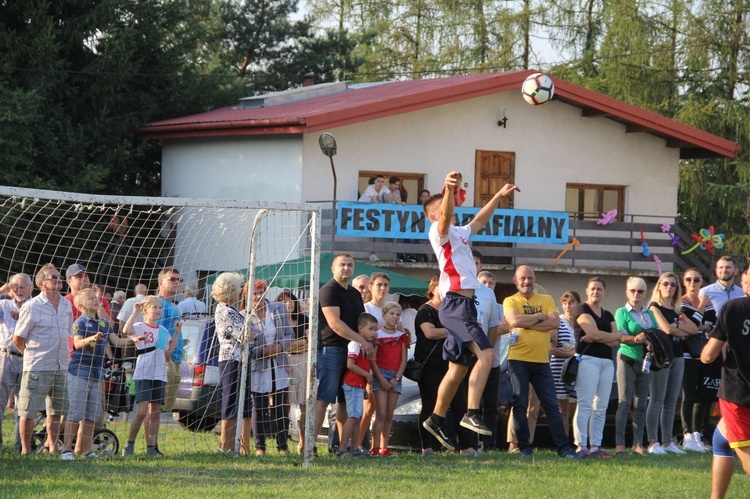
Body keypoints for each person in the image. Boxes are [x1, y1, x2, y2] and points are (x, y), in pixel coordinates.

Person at [420, 171, 519, 451]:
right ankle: (472, 413)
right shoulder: (438, 233)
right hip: (455, 305)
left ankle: (437, 418)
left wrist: (498, 197)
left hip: (462, 305)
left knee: (459, 367)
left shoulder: (460, 233)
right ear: (434, 216)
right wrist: (449, 190)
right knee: (487, 354)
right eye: (442, 211)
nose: (448, 213)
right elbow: (445, 213)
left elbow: (479, 220)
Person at [503, 265, 580, 459]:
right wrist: (539, 317)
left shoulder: (546, 299)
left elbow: (554, 323)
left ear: (534, 279)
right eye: (522, 278)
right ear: (515, 280)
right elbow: (515, 321)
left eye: (530, 278)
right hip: (518, 360)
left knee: (551, 405)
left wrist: (528, 322)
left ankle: (564, 448)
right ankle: (524, 447)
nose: (526, 282)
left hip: (541, 361)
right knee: (520, 404)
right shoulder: (510, 300)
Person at [64, 288, 139, 458]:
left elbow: (117, 341)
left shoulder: (104, 324)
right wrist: (91, 339)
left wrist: (133, 340)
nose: (97, 299)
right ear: (82, 305)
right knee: (76, 413)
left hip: (97, 374)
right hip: (79, 372)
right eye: (91, 298)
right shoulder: (79, 323)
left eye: (96, 297)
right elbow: (76, 344)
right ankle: (66, 450)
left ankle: (87, 450)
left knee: (92, 415)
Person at [313, 254, 372, 456]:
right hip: (332, 350)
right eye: (342, 265)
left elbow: (363, 323)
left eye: (349, 265)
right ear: (333, 268)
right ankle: (310, 447)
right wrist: (362, 340)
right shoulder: (328, 290)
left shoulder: (355, 294)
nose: (346, 268)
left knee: (344, 403)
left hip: (352, 354)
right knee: (324, 398)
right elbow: (335, 324)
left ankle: (344, 447)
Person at [13, 264, 73, 457]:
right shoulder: (32, 306)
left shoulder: (66, 305)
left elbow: (68, 333)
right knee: (28, 410)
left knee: (56, 411)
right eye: (53, 277)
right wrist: (31, 356)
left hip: (61, 366)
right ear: (41, 283)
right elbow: (18, 339)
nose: (58, 280)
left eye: (58, 277)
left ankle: (52, 446)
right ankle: (25, 450)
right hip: (37, 366)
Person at [702, 266, 750, 498]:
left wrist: (704, 354)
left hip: (738, 392)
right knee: (720, 440)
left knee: (746, 458)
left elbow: (709, 354)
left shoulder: (734, 307)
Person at [414, 276, 477, 456]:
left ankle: (466, 447)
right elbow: (430, 332)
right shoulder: (425, 311)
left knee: (459, 405)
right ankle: (427, 447)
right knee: (430, 405)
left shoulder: (452, 312)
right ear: (433, 288)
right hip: (430, 366)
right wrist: (457, 329)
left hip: (451, 365)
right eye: (441, 287)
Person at [121, 296, 180, 457]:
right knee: (141, 411)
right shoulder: (140, 326)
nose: (158, 310)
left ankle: (151, 447)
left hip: (159, 375)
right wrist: (134, 312)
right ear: (145, 310)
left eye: (159, 308)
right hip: (144, 374)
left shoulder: (163, 331)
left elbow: (167, 355)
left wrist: (176, 334)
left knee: (155, 412)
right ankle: (129, 445)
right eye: (154, 307)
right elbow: (126, 331)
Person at [646, 271, 696, 455]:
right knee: (657, 400)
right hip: (661, 357)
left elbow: (693, 329)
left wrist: (676, 328)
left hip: (678, 356)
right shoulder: (654, 307)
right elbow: (666, 329)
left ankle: (667, 441)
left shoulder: (677, 310)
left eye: (673, 284)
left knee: (671, 401)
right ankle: (653, 442)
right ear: (659, 286)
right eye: (665, 284)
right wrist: (675, 328)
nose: (669, 287)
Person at [573, 277, 619, 458]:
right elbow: (595, 333)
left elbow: (617, 340)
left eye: (599, 289)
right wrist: (605, 335)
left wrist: (600, 336)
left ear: (605, 291)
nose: (596, 292)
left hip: (607, 362)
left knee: (601, 406)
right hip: (588, 360)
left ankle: (595, 446)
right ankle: (581, 445)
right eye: (592, 288)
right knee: (585, 404)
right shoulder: (581, 309)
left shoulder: (608, 315)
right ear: (587, 290)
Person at [248, 279, 294, 455]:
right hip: (259, 366)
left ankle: (283, 446)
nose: (258, 296)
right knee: (259, 408)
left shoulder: (279, 309)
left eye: (261, 292)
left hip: (279, 364)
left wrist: (280, 346)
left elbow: (289, 334)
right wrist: (263, 351)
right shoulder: (245, 315)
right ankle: (260, 447)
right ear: (247, 296)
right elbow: (247, 346)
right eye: (254, 293)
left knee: (281, 406)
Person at [613, 277, 654, 456]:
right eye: (633, 290)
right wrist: (642, 338)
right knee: (624, 403)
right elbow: (621, 336)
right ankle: (620, 444)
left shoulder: (650, 314)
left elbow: (658, 333)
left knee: (641, 404)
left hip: (646, 361)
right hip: (627, 359)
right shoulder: (622, 312)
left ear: (645, 294)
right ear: (627, 292)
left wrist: (646, 336)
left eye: (640, 291)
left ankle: (638, 443)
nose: (636, 294)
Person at [213, 272, 252, 455]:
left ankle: (241, 446)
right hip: (231, 359)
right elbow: (245, 335)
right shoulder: (226, 311)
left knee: (241, 402)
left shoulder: (230, 310)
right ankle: (225, 446)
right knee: (230, 401)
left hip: (240, 358)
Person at [680, 268, 716, 452]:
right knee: (689, 395)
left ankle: (697, 434)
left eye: (696, 279)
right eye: (689, 279)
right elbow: (690, 325)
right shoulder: (682, 302)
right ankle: (687, 435)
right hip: (688, 353)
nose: (692, 282)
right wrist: (702, 306)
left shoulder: (709, 303)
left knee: (703, 395)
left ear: (702, 281)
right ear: (684, 282)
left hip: (706, 353)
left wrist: (702, 325)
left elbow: (715, 324)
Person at [473, 253, 504, 452]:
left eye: (491, 283)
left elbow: (503, 326)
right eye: (484, 281)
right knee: (469, 403)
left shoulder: (498, 305)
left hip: (491, 360)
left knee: (490, 405)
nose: (487, 285)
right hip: (471, 359)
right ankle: (468, 443)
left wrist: (487, 350)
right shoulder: (469, 295)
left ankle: (490, 444)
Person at [370, 302, 409, 457]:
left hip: (395, 376)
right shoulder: (378, 335)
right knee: (380, 413)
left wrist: (396, 377)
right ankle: (374, 447)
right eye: (391, 314)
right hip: (381, 375)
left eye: (397, 314)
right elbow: (372, 360)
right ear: (384, 315)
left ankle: (385, 447)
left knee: (389, 414)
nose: (394, 317)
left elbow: (403, 360)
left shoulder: (401, 337)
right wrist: (381, 378)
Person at [0, 273, 32, 452]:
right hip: (6, 356)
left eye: (22, 287)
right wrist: (2, 290)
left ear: (31, 288)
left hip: (28, 357)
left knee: (24, 404)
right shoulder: (4, 304)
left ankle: (21, 445)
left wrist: (23, 318)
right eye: (15, 287)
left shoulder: (35, 306)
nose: (18, 291)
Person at [338, 313, 377, 458]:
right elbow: (351, 364)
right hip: (353, 384)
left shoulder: (367, 345)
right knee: (353, 417)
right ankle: (342, 448)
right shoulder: (355, 344)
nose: (374, 333)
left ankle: (354, 448)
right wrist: (367, 375)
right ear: (360, 329)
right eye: (371, 329)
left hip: (358, 386)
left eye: (375, 329)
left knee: (357, 417)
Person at [275, 290, 309, 454]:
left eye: (290, 300)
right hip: (284, 363)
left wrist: (295, 344)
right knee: (285, 402)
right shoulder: (276, 322)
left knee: (305, 403)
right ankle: (283, 444)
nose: (287, 304)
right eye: (283, 301)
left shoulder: (304, 320)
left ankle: (303, 442)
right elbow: (283, 346)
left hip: (303, 362)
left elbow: (309, 342)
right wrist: (299, 343)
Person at [550, 290, 579, 439]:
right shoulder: (558, 322)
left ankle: (579, 442)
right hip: (560, 369)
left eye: (572, 302)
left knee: (579, 408)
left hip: (577, 370)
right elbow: (552, 349)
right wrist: (570, 353)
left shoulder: (582, 322)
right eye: (565, 303)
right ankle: (563, 441)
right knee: (563, 409)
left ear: (578, 304)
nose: (568, 306)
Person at [156, 267, 183, 413]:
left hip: (176, 357)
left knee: (165, 408)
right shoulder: (158, 303)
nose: (177, 282)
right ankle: (149, 436)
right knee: (155, 407)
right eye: (172, 279)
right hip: (166, 357)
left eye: (179, 280)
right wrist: (166, 356)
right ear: (161, 282)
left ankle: (155, 435)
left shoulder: (174, 305)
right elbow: (157, 331)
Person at [116, 283, 147, 360]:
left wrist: (123, 337)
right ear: (146, 292)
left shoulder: (128, 301)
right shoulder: (148, 302)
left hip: (129, 339)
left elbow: (121, 321)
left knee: (128, 364)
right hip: (146, 340)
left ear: (135, 291)